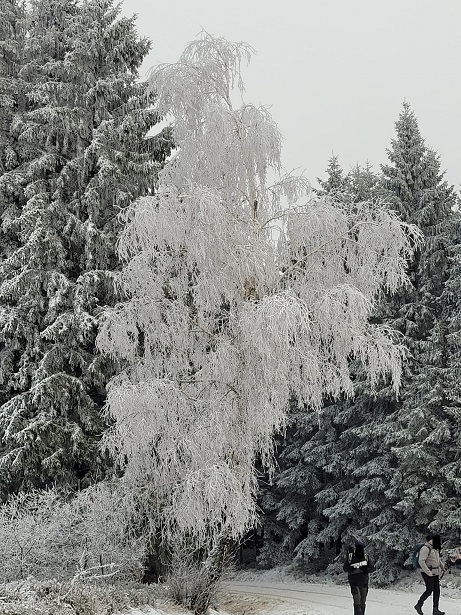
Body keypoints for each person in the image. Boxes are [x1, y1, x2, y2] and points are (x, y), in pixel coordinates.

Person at [414, 534, 445, 615]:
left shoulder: (434, 548)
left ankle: (435, 610)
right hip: (427, 572)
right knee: (429, 590)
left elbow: (438, 559)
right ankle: (418, 605)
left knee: (437, 591)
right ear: (430, 540)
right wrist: (428, 572)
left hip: (435, 572)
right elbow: (421, 561)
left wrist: (442, 567)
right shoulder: (425, 549)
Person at [343, 541, 375, 615]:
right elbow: (345, 567)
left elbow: (372, 568)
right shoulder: (350, 557)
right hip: (354, 582)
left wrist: (366, 569)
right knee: (357, 599)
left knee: (363, 601)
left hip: (364, 582)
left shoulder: (366, 557)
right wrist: (351, 568)